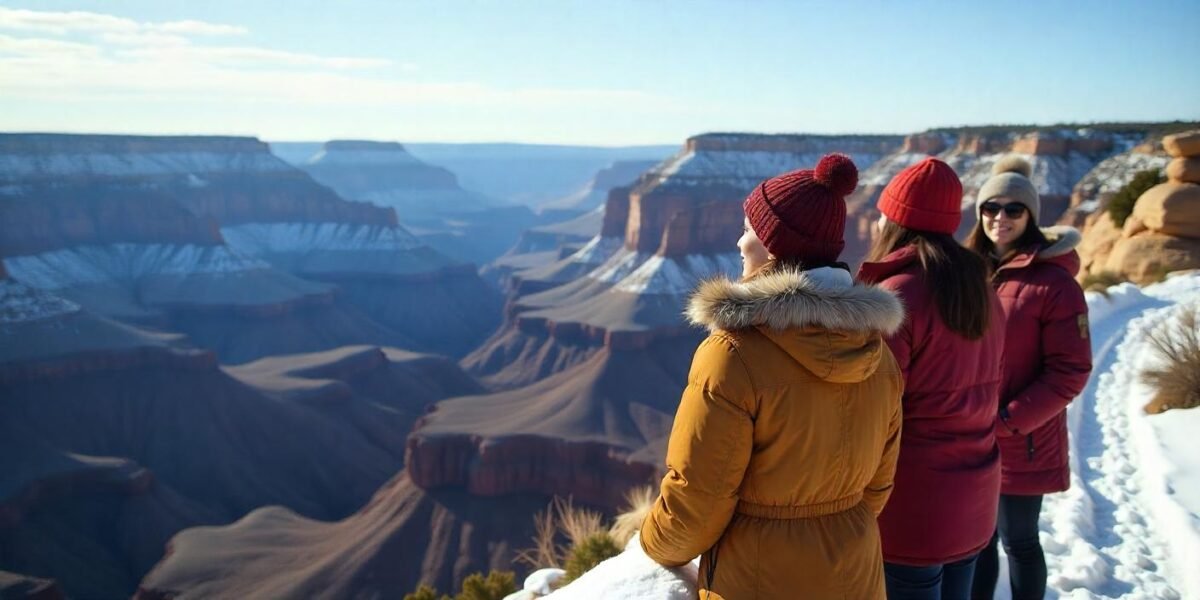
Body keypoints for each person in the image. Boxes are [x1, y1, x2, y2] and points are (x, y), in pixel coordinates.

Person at [640, 154, 905, 599]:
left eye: (747, 229)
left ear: (772, 245)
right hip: (855, 575)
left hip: (755, 580)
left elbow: (697, 505)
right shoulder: (876, 352)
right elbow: (876, 486)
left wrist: (648, 544)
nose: (738, 240)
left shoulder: (732, 355)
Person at [856, 157, 1005, 600]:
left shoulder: (898, 295)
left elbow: (873, 409)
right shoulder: (981, 287)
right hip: (975, 496)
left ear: (896, 220)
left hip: (913, 507)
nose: (874, 220)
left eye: (883, 211)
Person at [967, 157, 1093, 600]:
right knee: (976, 544)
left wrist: (1007, 420)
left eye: (1014, 209)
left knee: (1018, 541)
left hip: (1023, 436)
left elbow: (1070, 370)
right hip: (970, 434)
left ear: (1032, 217)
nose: (1000, 218)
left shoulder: (1055, 285)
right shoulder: (970, 274)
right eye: (991, 208)